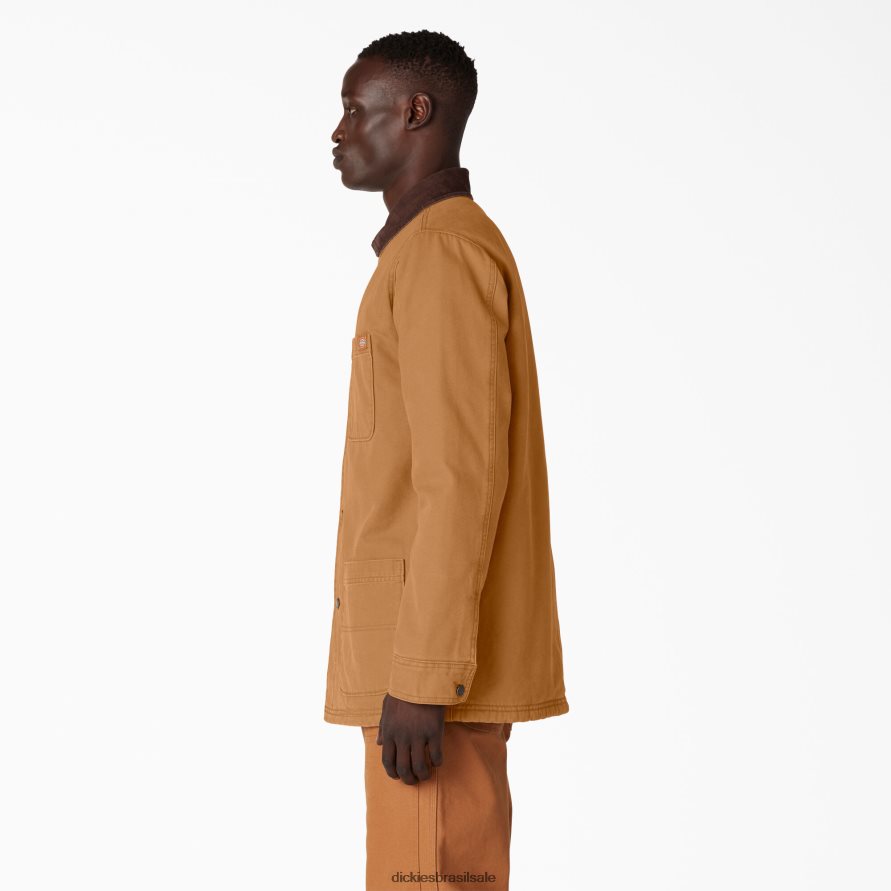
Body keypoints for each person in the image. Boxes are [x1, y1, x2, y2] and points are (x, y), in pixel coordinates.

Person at [323, 29, 569, 891]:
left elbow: (459, 479)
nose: (337, 131)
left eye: (354, 108)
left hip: (431, 680)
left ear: (415, 112)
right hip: (425, 670)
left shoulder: (439, 252)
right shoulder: (427, 250)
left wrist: (422, 675)